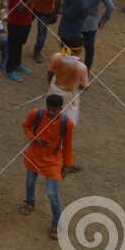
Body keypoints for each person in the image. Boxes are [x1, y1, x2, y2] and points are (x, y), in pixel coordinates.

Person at [21, 93, 75, 238]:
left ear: (60, 108)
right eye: (49, 109)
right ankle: (30, 202)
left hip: (53, 160)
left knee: (52, 193)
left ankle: (56, 223)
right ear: (46, 106)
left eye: (54, 110)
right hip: (34, 155)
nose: (51, 112)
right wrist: (34, 138)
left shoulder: (66, 123)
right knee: (30, 182)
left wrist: (67, 166)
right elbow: (26, 126)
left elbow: (68, 145)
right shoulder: (36, 114)